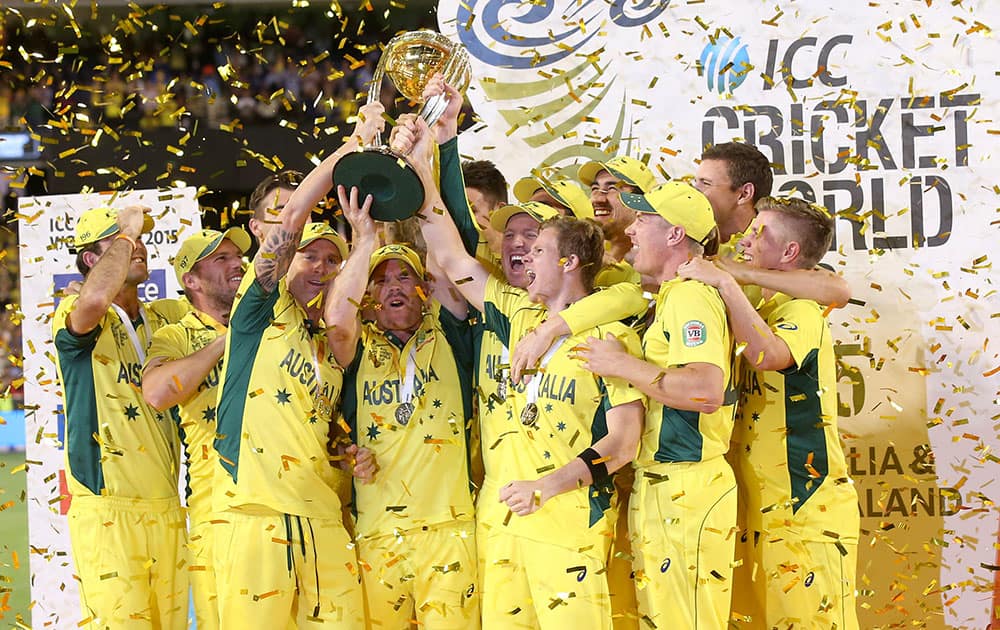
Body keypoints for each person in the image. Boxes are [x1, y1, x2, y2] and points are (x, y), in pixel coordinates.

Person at [403, 115, 645, 628]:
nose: (519, 255)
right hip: (499, 516)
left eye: (536, 248)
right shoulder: (512, 310)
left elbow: (624, 445)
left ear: (568, 263)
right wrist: (421, 165)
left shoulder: (611, 334)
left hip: (567, 519)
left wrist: (550, 485)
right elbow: (446, 251)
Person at [210, 104, 384, 628]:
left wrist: (366, 240)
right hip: (257, 517)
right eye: (312, 257)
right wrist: (354, 144)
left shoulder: (332, 349)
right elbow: (291, 219)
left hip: (324, 520)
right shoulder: (257, 311)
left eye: (333, 261)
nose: (322, 269)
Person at [678, 197, 860, 629]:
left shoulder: (801, 311)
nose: (747, 239)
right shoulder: (763, 308)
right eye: (751, 228)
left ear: (791, 253)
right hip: (754, 507)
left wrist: (726, 284)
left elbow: (766, 354)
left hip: (805, 506)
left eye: (761, 234)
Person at [576, 182, 738, 628]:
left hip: (688, 486)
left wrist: (621, 364)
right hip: (663, 484)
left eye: (644, 220)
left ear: (674, 235)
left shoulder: (690, 296)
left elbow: (706, 390)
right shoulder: (670, 296)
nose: (632, 230)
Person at [325, 187, 479, 626]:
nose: (394, 287)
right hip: (377, 533)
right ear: (368, 293)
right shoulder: (352, 350)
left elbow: (449, 258)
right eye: (382, 279)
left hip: (449, 529)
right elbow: (329, 428)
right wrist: (345, 453)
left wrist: (422, 168)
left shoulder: (449, 332)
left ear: (423, 287)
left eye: (404, 277)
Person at [52, 205, 188, 629]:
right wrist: (128, 234)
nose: (138, 244)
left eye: (140, 236)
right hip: (110, 509)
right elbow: (94, 297)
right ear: (92, 259)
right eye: (122, 238)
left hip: (168, 507)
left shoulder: (167, 318)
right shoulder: (76, 311)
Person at [141, 227, 251, 630]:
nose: (237, 263)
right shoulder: (177, 335)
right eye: (220, 259)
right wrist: (228, 339)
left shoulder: (270, 322)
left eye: (237, 256)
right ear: (191, 280)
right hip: (216, 514)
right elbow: (155, 392)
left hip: (283, 506)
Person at [694, 141, 850, 307]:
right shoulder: (687, 234)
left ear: (744, 194)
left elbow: (839, 293)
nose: (694, 191)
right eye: (694, 182)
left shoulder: (769, 242)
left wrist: (744, 274)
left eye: (705, 183)